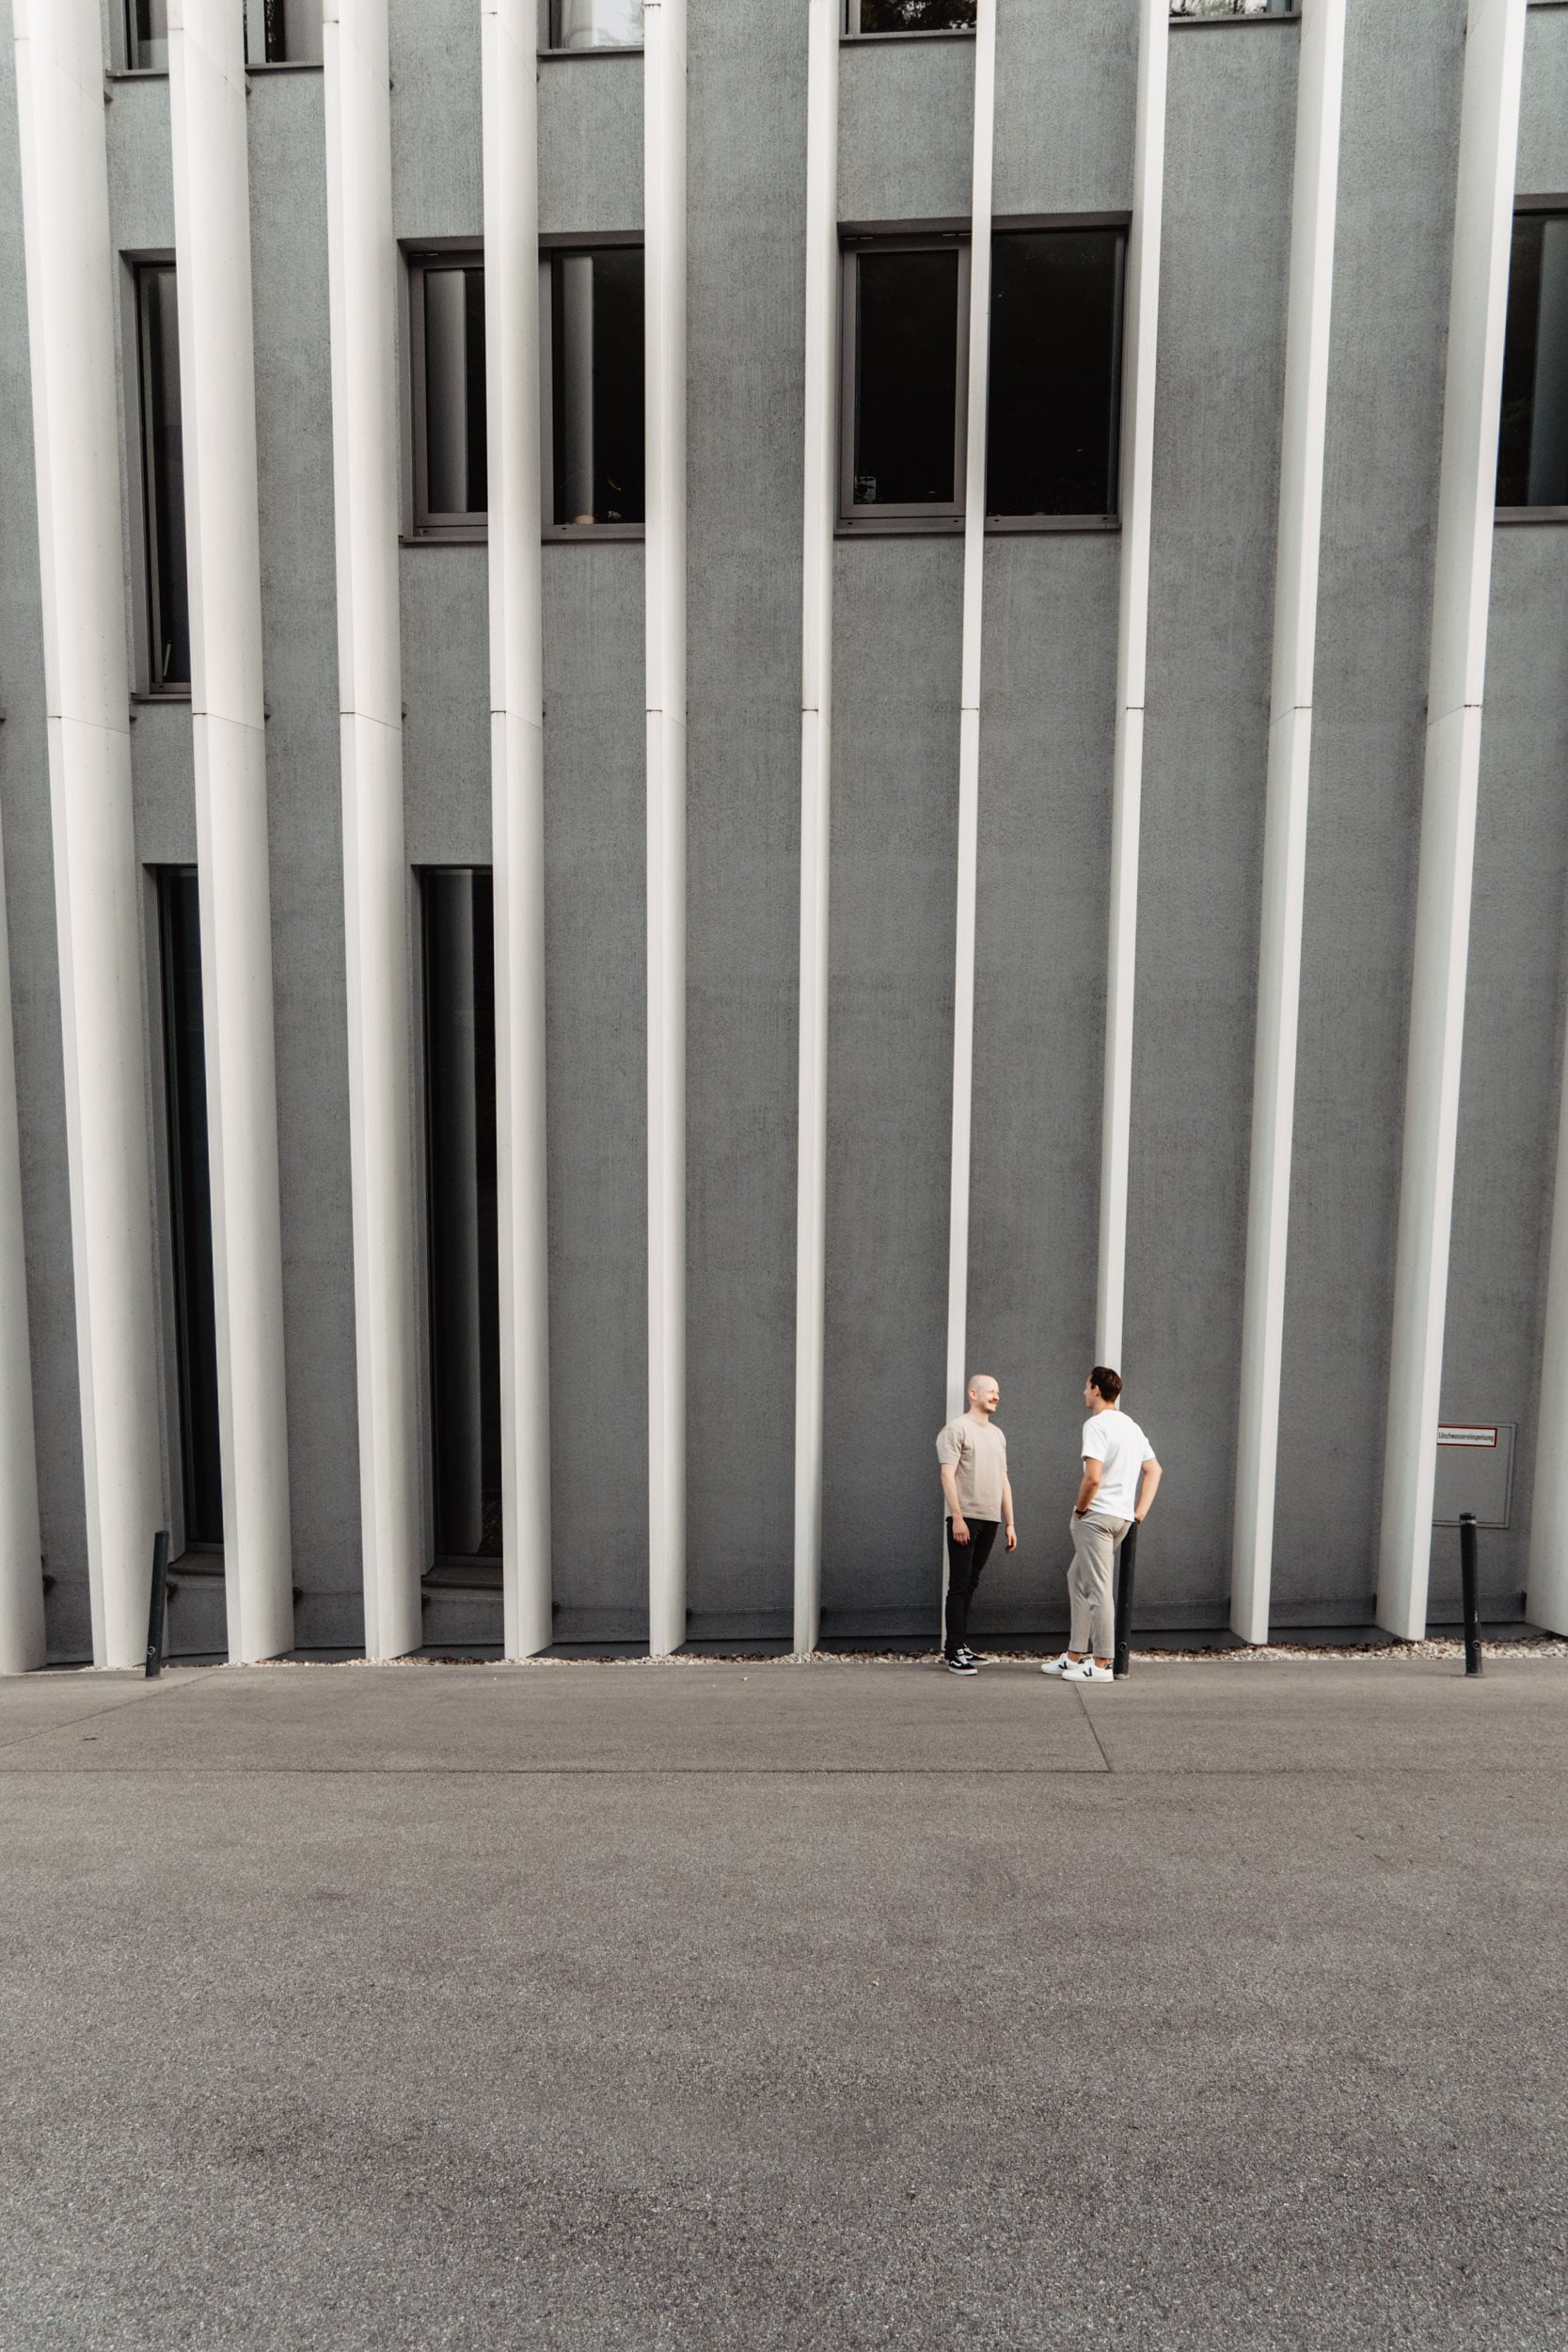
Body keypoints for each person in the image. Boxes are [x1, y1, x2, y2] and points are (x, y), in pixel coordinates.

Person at [1041, 1366, 1161, 1684]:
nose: (1083, 1392)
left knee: (1097, 1588)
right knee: (1076, 1577)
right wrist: (1139, 1512)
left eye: (1086, 1387)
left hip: (1095, 1518)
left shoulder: (1096, 1425)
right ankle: (1074, 1655)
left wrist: (1080, 1510)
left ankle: (1103, 1662)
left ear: (1096, 1389)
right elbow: (1154, 1470)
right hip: (1120, 1518)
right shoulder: (1131, 1427)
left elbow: (1092, 1477)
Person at [935, 1375, 1017, 1676]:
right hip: (965, 1518)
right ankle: (953, 1650)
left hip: (990, 1518)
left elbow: (1003, 1479)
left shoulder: (997, 1434)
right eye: (990, 1392)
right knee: (958, 1584)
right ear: (973, 1393)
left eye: (998, 1392)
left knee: (971, 1582)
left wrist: (1010, 1522)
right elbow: (947, 1475)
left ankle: (958, 1644)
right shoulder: (957, 1429)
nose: (996, 1396)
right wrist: (957, 1517)